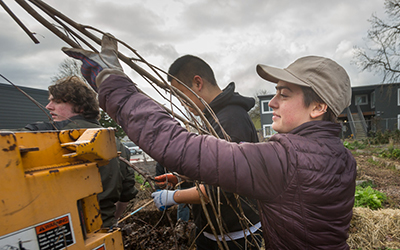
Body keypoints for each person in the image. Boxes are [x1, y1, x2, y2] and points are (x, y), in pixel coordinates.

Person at [63, 34, 357, 249]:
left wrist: (113, 83)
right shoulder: (342, 157)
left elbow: (177, 145)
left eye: (285, 94)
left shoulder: (285, 158)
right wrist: (183, 178)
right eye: (275, 92)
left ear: (317, 107)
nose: (274, 103)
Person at [152, 55, 261, 249]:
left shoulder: (230, 121)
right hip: (215, 231)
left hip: (235, 235)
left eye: (181, 95)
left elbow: (222, 189)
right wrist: (181, 177)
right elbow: (211, 167)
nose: (183, 103)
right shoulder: (213, 119)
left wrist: (173, 197)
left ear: (197, 83)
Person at [24, 76, 138, 228]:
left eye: (57, 101)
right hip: (105, 228)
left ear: (81, 107)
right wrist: (110, 220)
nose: (48, 106)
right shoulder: (116, 143)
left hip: (61, 232)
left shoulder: (49, 134)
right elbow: (127, 194)